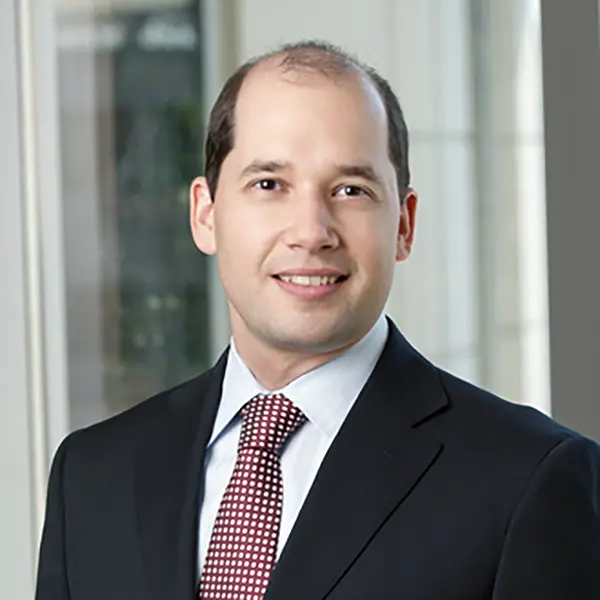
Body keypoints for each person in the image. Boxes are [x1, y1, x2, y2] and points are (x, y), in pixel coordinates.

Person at [36, 40, 600, 600]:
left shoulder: (530, 480)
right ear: (205, 214)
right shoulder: (90, 476)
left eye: (350, 190)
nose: (311, 230)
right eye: (269, 185)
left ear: (403, 225)